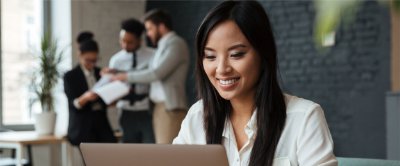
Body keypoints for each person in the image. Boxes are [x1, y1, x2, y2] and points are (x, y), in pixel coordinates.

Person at [172, 1, 337, 166]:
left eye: (236, 54)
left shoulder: (304, 118)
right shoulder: (197, 117)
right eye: (210, 56)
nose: (221, 69)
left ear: (263, 53)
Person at [111, 9, 190, 144]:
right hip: (159, 108)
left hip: (170, 108)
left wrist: (124, 76)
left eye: (149, 29)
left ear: (161, 26)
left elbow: (157, 73)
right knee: (160, 152)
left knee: (166, 154)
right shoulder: (162, 46)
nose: (147, 34)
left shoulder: (176, 44)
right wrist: (116, 73)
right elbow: (149, 69)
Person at [107, 18, 155, 143]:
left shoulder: (153, 55)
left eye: (130, 42)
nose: (125, 45)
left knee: (150, 151)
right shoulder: (116, 60)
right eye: (122, 41)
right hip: (125, 111)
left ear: (140, 40)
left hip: (147, 110)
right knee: (128, 153)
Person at [64, 34, 117, 146]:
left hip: (102, 125)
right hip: (83, 127)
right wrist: (86, 97)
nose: (92, 64)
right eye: (88, 60)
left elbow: (107, 100)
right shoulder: (70, 76)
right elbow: (73, 104)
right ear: (80, 55)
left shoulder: (101, 73)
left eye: (95, 60)